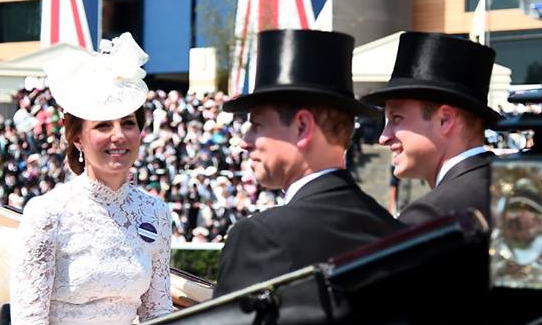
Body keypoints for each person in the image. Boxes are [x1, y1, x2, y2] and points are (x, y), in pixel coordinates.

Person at [10, 33, 172, 325]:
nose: (118, 136)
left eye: (128, 123)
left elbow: (158, 313)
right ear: (78, 139)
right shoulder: (47, 212)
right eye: (103, 126)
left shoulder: (156, 213)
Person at [213, 29, 400, 297]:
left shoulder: (262, 235)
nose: (245, 141)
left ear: (302, 127)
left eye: (257, 125)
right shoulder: (393, 231)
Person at [362, 32, 501, 225]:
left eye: (396, 118)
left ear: (445, 120)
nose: (383, 138)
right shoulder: (512, 186)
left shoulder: (430, 216)